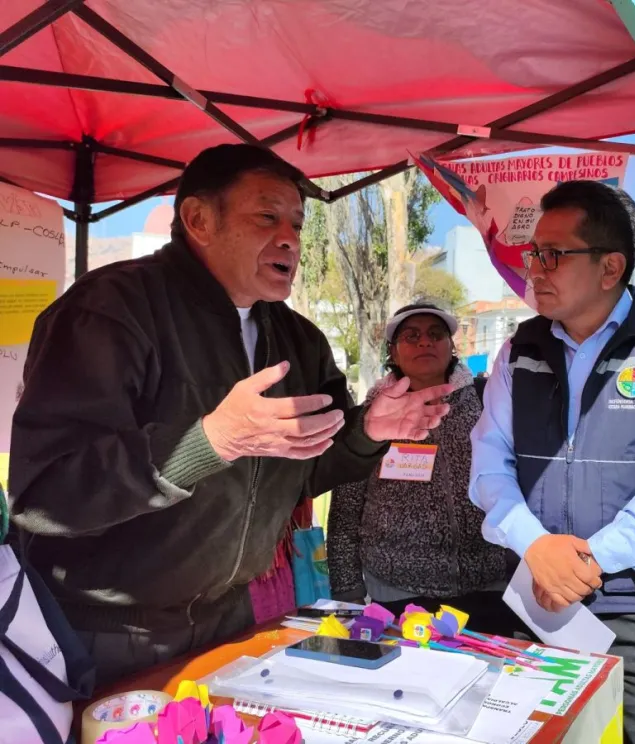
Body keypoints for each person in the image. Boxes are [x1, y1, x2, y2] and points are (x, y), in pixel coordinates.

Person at [8, 144, 452, 687]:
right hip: (101, 633)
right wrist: (211, 440)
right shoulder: (109, 310)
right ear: (198, 219)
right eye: (267, 216)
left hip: (230, 621)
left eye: (296, 222)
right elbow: (45, 494)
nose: (290, 237)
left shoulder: (297, 339)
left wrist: (367, 431)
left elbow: (301, 471)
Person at [469, 180, 635, 744]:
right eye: (532, 252)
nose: (533, 267)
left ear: (610, 269)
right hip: (539, 598)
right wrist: (535, 548)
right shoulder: (520, 348)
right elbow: (489, 463)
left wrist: (590, 561)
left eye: (551, 254)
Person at [328, 303, 524, 636]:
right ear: (394, 350)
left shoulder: (486, 404)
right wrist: (347, 590)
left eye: (436, 335)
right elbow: (345, 509)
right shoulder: (371, 420)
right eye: (411, 336)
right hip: (398, 595)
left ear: (451, 347)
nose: (424, 343)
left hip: (489, 588)